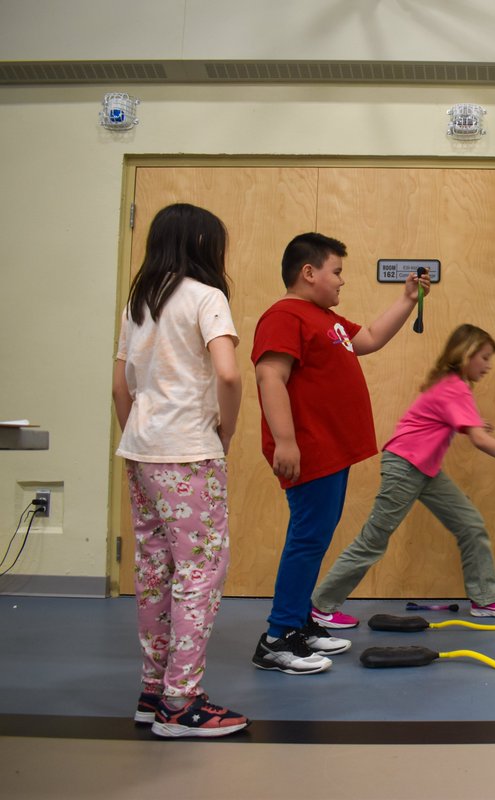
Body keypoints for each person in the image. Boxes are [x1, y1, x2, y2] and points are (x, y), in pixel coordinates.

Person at [250, 232, 430, 674]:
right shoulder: (285, 315)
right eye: (337, 271)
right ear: (309, 273)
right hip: (309, 450)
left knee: (316, 537)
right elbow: (270, 376)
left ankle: (299, 623)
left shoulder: (323, 319)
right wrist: (287, 441)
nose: (342, 281)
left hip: (332, 451)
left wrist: (408, 300)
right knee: (307, 538)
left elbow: (367, 337)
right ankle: (277, 638)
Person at [112, 203, 248, 737]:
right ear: (201, 244)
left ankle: (153, 691)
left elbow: (121, 386)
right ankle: (180, 702)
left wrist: (137, 432)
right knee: (199, 571)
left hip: (141, 449)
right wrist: (226, 431)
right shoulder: (206, 297)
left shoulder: (139, 302)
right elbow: (229, 376)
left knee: (154, 569)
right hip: (189, 450)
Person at [311, 323, 495, 627]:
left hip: (424, 469)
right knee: (374, 540)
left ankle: (485, 600)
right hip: (405, 467)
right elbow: (480, 440)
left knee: (470, 524)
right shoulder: (455, 387)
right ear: (467, 355)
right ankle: (321, 606)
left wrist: (473, 424)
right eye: (484, 357)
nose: (488, 366)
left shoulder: (451, 385)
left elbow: (443, 421)